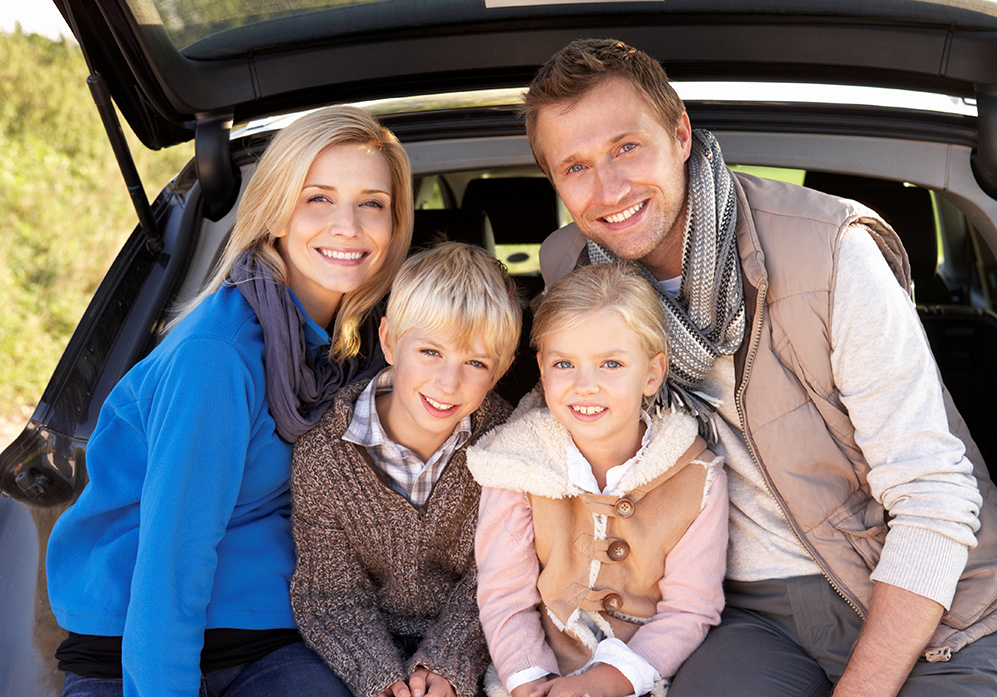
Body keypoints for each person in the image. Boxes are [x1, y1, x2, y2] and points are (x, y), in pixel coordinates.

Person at [525, 38, 997, 697]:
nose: (608, 189)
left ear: (680, 134)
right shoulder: (574, 274)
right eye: (575, 166)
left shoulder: (827, 251)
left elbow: (934, 496)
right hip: (742, 614)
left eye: (626, 147)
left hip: (929, 600)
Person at [45, 105, 413, 697]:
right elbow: (171, 561)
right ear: (274, 215)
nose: (348, 225)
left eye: (373, 203)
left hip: (268, 636)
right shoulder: (217, 356)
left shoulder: (366, 353)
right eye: (317, 198)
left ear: (395, 224)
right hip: (138, 647)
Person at [469, 262, 728, 697]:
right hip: (540, 671)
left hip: (646, 672)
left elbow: (690, 609)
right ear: (542, 369)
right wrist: (530, 680)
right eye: (565, 363)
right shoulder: (515, 465)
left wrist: (605, 683)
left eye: (610, 364)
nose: (585, 385)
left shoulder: (696, 478)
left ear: (651, 373)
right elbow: (504, 597)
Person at [289, 241, 522, 697]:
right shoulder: (325, 457)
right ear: (390, 340)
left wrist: (448, 663)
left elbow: (503, 575)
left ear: (502, 370)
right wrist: (381, 681)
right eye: (431, 352)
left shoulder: (509, 444)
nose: (448, 383)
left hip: (478, 645)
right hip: (360, 650)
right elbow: (331, 595)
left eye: (476, 363)